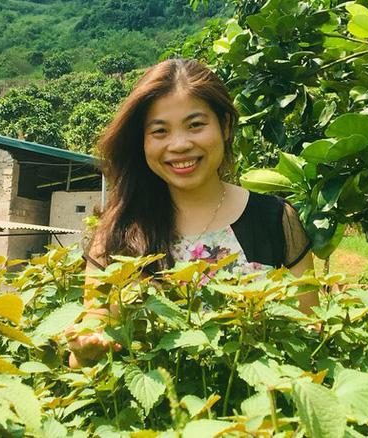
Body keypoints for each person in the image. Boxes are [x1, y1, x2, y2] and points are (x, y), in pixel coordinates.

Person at [67, 58, 316, 368]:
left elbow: (308, 338)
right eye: (160, 131)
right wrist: (86, 351)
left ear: (225, 126)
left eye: (195, 125)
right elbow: (88, 343)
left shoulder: (275, 220)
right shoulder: (119, 232)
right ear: (141, 141)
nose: (180, 145)